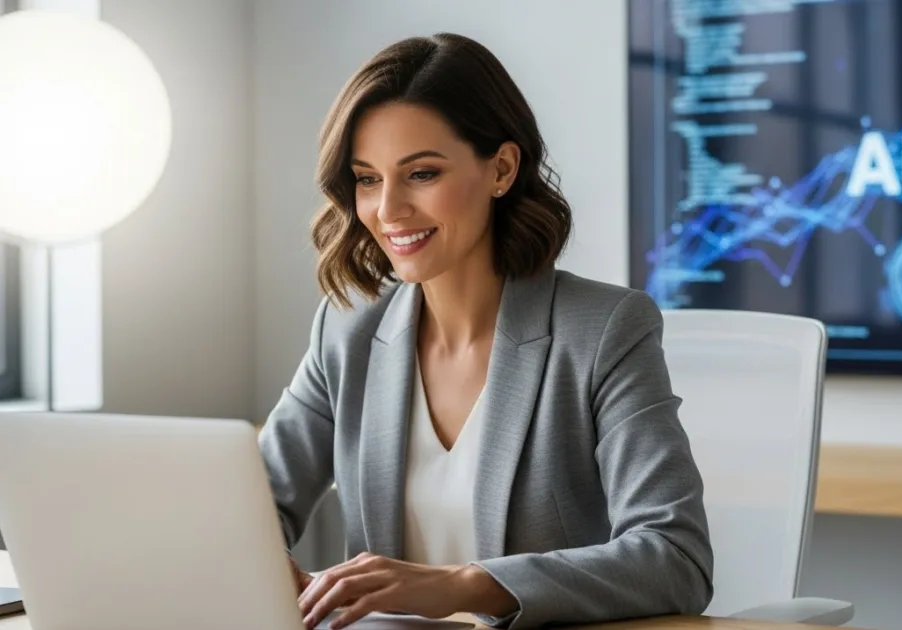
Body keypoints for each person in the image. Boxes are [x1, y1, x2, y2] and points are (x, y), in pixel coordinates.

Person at [256, 32, 714, 630]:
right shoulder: (347, 330)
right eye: (367, 179)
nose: (388, 209)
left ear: (501, 169)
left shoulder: (602, 330)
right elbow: (252, 507)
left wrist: (462, 585)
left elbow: (675, 557)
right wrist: (258, 564)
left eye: (421, 173)